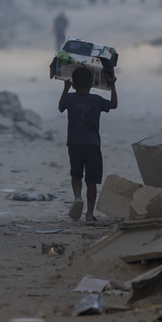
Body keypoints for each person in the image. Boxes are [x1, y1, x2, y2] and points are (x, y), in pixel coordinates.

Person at [58, 66, 118, 224]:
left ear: (74, 85)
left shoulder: (70, 99)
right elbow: (113, 105)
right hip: (92, 145)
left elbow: (60, 107)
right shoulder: (97, 100)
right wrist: (112, 85)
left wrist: (65, 89)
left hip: (74, 144)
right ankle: (90, 214)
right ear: (92, 83)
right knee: (91, 180)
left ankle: (77, 197)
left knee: (76, 175)